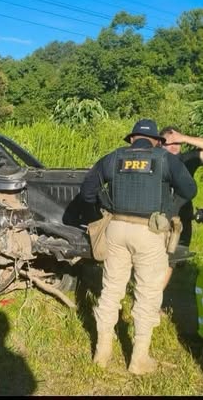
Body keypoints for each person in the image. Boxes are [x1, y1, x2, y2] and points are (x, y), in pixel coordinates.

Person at [80, 119, 197, 375]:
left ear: (132, 139)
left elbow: (87, 190)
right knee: (147, 292)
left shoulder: (113, 158)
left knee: (111, 289)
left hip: (116, 228)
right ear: (156, 141)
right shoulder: (165, 159)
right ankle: (139, 360)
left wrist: (106, 205)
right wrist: (169, 209)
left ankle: (102, 353)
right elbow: (190, 189)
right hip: (149, 231)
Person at [159, 126, 203, 282]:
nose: (174, 145)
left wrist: (184, 137)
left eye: (177, 142)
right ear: (160, 144)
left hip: (181, 219)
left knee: (172, 260)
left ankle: (155, 295)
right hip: (158, 217)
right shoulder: (155, 160)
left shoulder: (187, 159)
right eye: (169, 142)